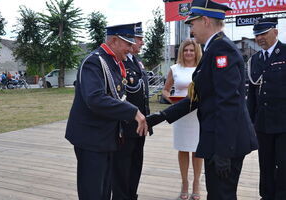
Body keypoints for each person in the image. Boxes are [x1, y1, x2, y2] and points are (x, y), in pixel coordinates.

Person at [146, 0, 258, 199]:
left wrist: (224, 151)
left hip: (225, 142)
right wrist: (162, 115)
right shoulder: (212, 48)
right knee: (216, 193)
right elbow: (198, 97)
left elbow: (228, 103)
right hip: (218, 138)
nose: (191, 29)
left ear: (205, 20)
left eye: (192, 23)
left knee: (221, 195)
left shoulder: (221, 50)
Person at [65, 23, 148, 200]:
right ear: (114, 40)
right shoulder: (95, 61)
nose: (130, 47)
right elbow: (95, 99)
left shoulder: (113, 62)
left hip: (107, 137)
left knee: (105, 190)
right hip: (91, 138)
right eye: (127, 43)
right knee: (93, 191)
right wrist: (133, 112)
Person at [111, 22, 152, 200]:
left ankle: (131, 195)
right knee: (121, 170)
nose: (142, 42)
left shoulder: (137, 62)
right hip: (125, 127)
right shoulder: (117, 63)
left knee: (136, 166)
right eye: (139, 39)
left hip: (139, 126)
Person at [247, 18, 286, 200]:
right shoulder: (254, 60)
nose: (260, 38)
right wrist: (250, 123)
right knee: (265, 163)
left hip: (284, 123)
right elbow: (252, 96)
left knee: (283, 164)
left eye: (264, 33)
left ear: (275, 32)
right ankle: (267, 196)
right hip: (262, 123)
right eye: (257, 35)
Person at [162, 39, 203, 200]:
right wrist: (171, 99)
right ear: (181, 52)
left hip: (198, 114)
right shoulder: (175, 68)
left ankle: (196, 184)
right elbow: (165, 90)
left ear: (196, 52)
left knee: (198, 150)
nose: (188, 53)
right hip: (181, 114)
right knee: (183, 148)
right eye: (186, 50)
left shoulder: (202, 68)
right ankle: (185, 182)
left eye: (192, 50)